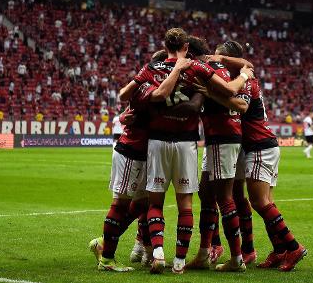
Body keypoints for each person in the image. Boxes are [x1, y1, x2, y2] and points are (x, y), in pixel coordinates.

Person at [120, 28, 254, 274]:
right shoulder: (200, 70)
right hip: (193, 143)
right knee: (194, 201)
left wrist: (146, 113)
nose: (212, 58)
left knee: (156, 200)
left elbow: (127, 95)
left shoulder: (159, 69)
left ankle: (157, 251)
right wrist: (239, 75)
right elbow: (226, 89)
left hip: (172, 141)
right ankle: (185, 258)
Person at [88, 55, 192, 272]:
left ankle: (127, 246)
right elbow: (145, 98)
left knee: (144, 204)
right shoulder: (147, 87)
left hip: (146, 154)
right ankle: (106, 257)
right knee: (120, 204)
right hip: (131, 151)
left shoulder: (160, 84)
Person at [185, 39, 255, 272]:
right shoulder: (223, 69)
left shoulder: (211, 68)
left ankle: (237, 259)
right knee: (205, 192)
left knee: (225, 198)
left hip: (223, 136)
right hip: (220, 138)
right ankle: (205, 253)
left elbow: (231, 95)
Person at [239, 77, 308, 271]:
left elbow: (240, 107)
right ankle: (279, 251)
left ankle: (293, 247)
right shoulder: (250, 81)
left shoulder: (243, 82)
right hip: (267, 144)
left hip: (259, 146)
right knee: (267, 201)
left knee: (260, 202)